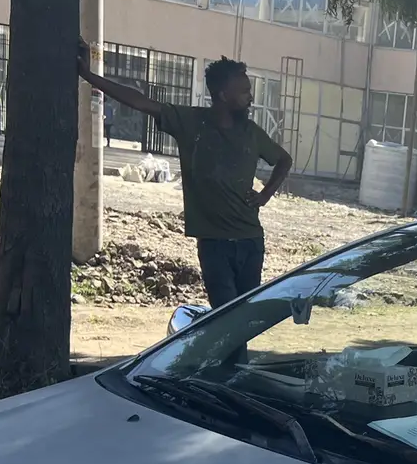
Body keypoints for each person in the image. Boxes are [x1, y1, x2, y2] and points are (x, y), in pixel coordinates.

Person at [77, 45, 293, 307]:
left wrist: (265, 195)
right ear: (223, 96)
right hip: (214, 245)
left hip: (251, 243)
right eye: (245, 91)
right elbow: (139, 101)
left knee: (241, 322)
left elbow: (284, 159)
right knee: (224, 320)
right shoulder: (191, 122)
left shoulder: (251, 132)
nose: (250, 98)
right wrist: (88, 75)